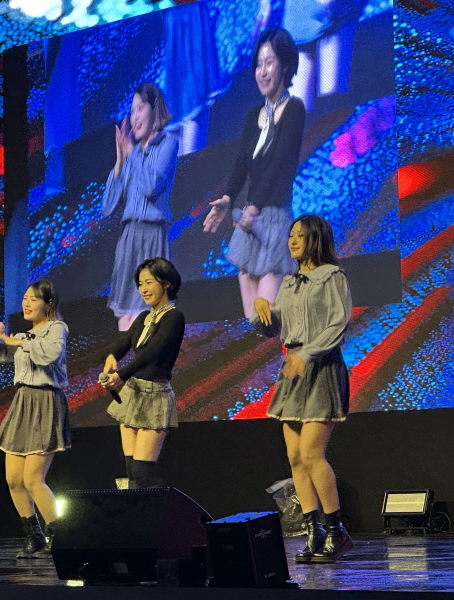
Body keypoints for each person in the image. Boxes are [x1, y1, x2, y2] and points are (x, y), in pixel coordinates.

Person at [252, 214, 353, 564]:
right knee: (295, 456)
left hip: (320, 366)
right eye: (291, 235)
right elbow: (274, 327)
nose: (292, 241)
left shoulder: (332, 276)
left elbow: (339, 324)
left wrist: (307, 354)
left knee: (311, 453)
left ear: (316, 240)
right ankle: (314, 530)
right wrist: (261, 311)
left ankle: (337, 530)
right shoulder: (289, 282)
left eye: (300, 235)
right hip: (293, 368)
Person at [203, 27, 304, 318]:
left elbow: (281, 166)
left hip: (273, 219)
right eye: (258, 64)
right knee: (253, 321)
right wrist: (227, 198)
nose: (262, 71)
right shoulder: (252, 116)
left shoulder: (294, 108)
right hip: (250, 222)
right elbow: (241, 163)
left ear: (285, 65)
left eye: (269, 62)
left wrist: (254, 208)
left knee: (267, 319)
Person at [0, 280, 70, 559]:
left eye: (33, 299)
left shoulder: (57, 328)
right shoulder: (23, 335)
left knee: (33, 479)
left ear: (48, 304)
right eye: (25, 298)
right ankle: (35, 537)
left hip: (45, 401)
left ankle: (61, 539)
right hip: (23, 402)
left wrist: (18, 342)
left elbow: (50, 355)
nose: (26, 304)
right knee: (14, 479)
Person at [100, 257, 185, 488]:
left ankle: (156, 508)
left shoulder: (174, 317)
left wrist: (121, 375)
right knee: (131, 471)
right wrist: (112, 356)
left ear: (166, 283)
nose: (143, 289)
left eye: (149, 282)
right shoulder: (143, 317)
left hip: (155, 395)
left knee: (141, 473)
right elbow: (125, 342)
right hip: (133, 393)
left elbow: (152, 352)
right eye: (140, 284)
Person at [103, 83, 179, 332]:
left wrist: (131, 154)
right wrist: (119, 161)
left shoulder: (169, 142)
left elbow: (150, 186)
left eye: (140, 108)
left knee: (146, 318)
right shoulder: (131, 154)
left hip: (152, 237)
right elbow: (108, 206)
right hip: (129, 238)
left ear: (154, 109)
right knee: (125, 321)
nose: (134, 116)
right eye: (132, 110)